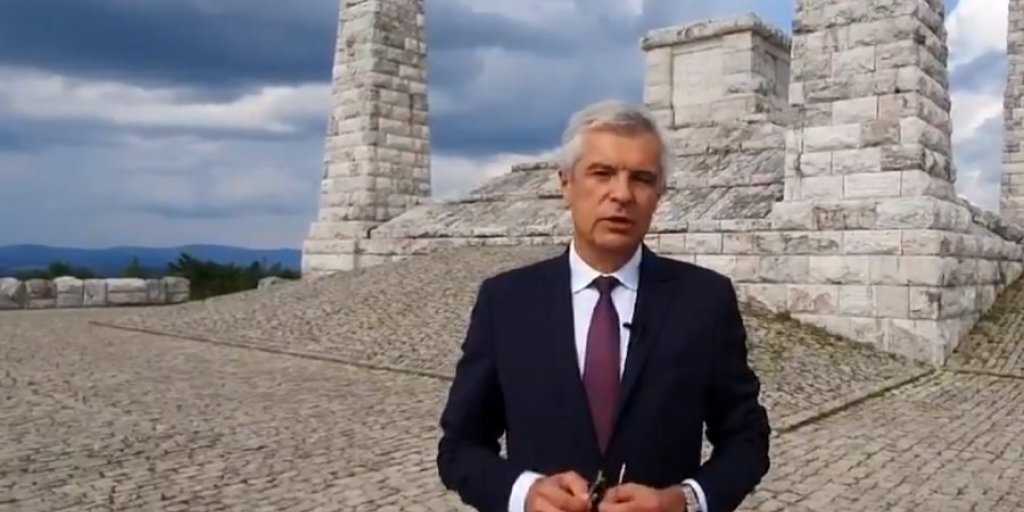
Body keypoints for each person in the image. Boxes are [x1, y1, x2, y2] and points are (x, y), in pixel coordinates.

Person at [436, 100, 770, 512]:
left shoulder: (705, 301)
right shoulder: (505, 302)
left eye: (642, 179)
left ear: (659, 195)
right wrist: (524, 493)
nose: (622, 194)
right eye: (602, 173)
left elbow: (746, 440)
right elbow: (460, 447)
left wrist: (683, 501)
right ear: (566, 184)